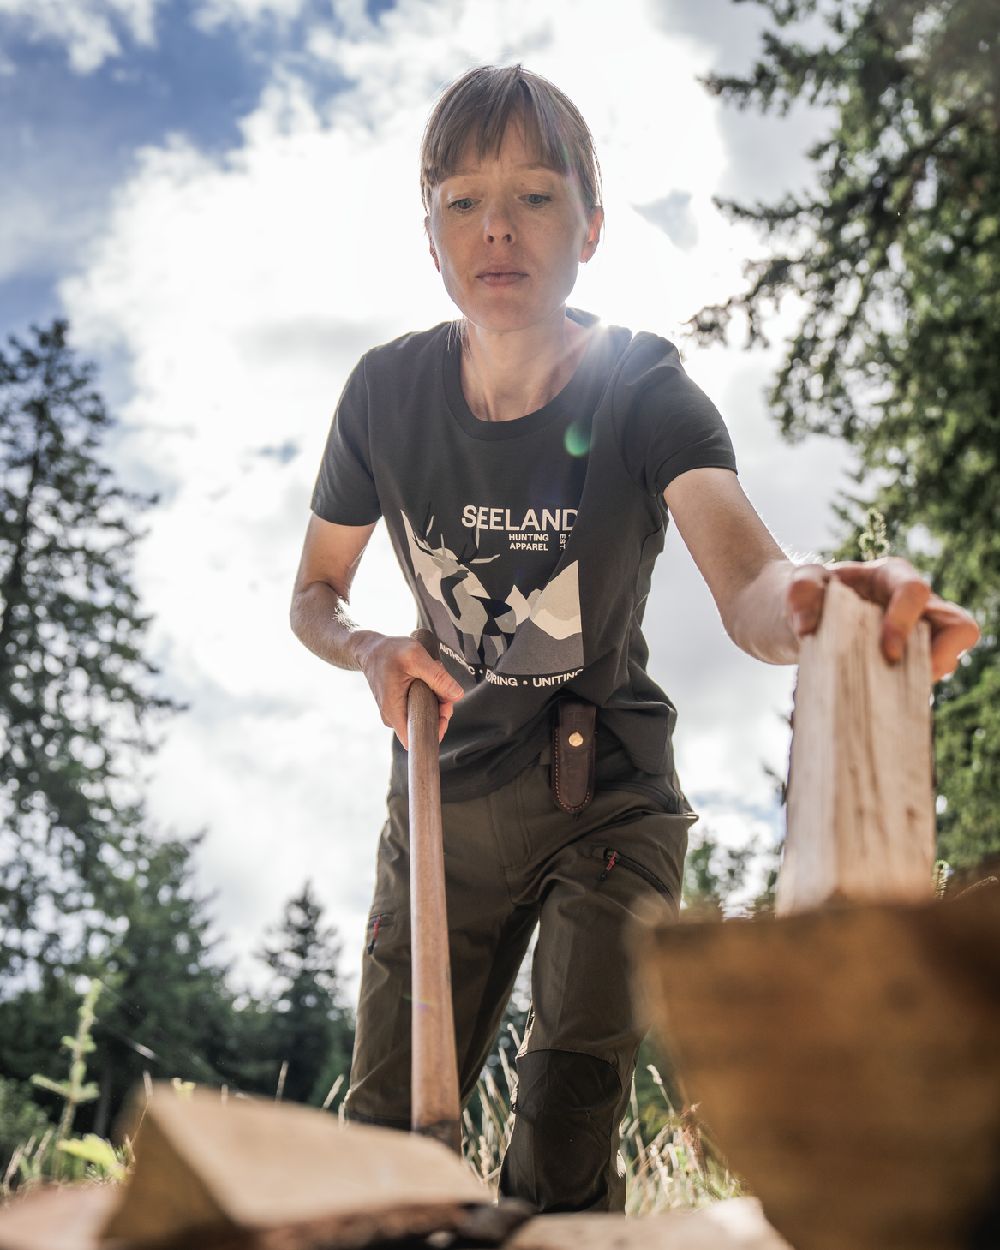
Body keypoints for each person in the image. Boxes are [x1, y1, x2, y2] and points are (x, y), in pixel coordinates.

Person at [290, 65, 979, 1211]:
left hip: (602, 795)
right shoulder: (383, 398)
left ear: (592, 227)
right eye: (462, 201)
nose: (497, 226)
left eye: (535, 196)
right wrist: (366, 647)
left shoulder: (641, 386)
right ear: (430, 237)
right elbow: (315, 589)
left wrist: (821, 603)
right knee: (383, 1155)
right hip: (441, 800)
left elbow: (750, 577)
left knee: (560, 1144)